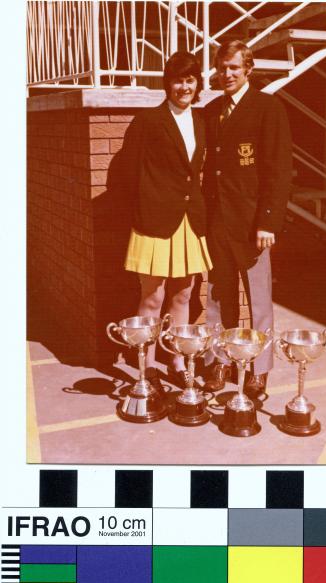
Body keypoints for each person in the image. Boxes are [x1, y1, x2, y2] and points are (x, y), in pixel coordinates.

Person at [203, 40, 292, 396]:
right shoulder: (212, 111)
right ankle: (220, 361)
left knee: (258, 301)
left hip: (253, 225)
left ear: (248, 70)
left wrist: (268, 221)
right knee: (218, 297)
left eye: (234, 68)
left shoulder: (268, 108)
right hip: (217, 223)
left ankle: (260, 370)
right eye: (222, 68)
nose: (226, 74)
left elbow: (278, 170)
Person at [122, 52, 212, 398]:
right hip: (154, 220)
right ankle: (145, 365)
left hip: (189, 219)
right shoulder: (149, 120)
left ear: (197, 83)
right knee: (152, 294)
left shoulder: (202, 120)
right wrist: (142, 209)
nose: (184, 86)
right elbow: (127, 172)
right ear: (168, 83)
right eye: (178, 79)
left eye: (190, 80)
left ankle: (176, 361)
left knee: (184, 292)